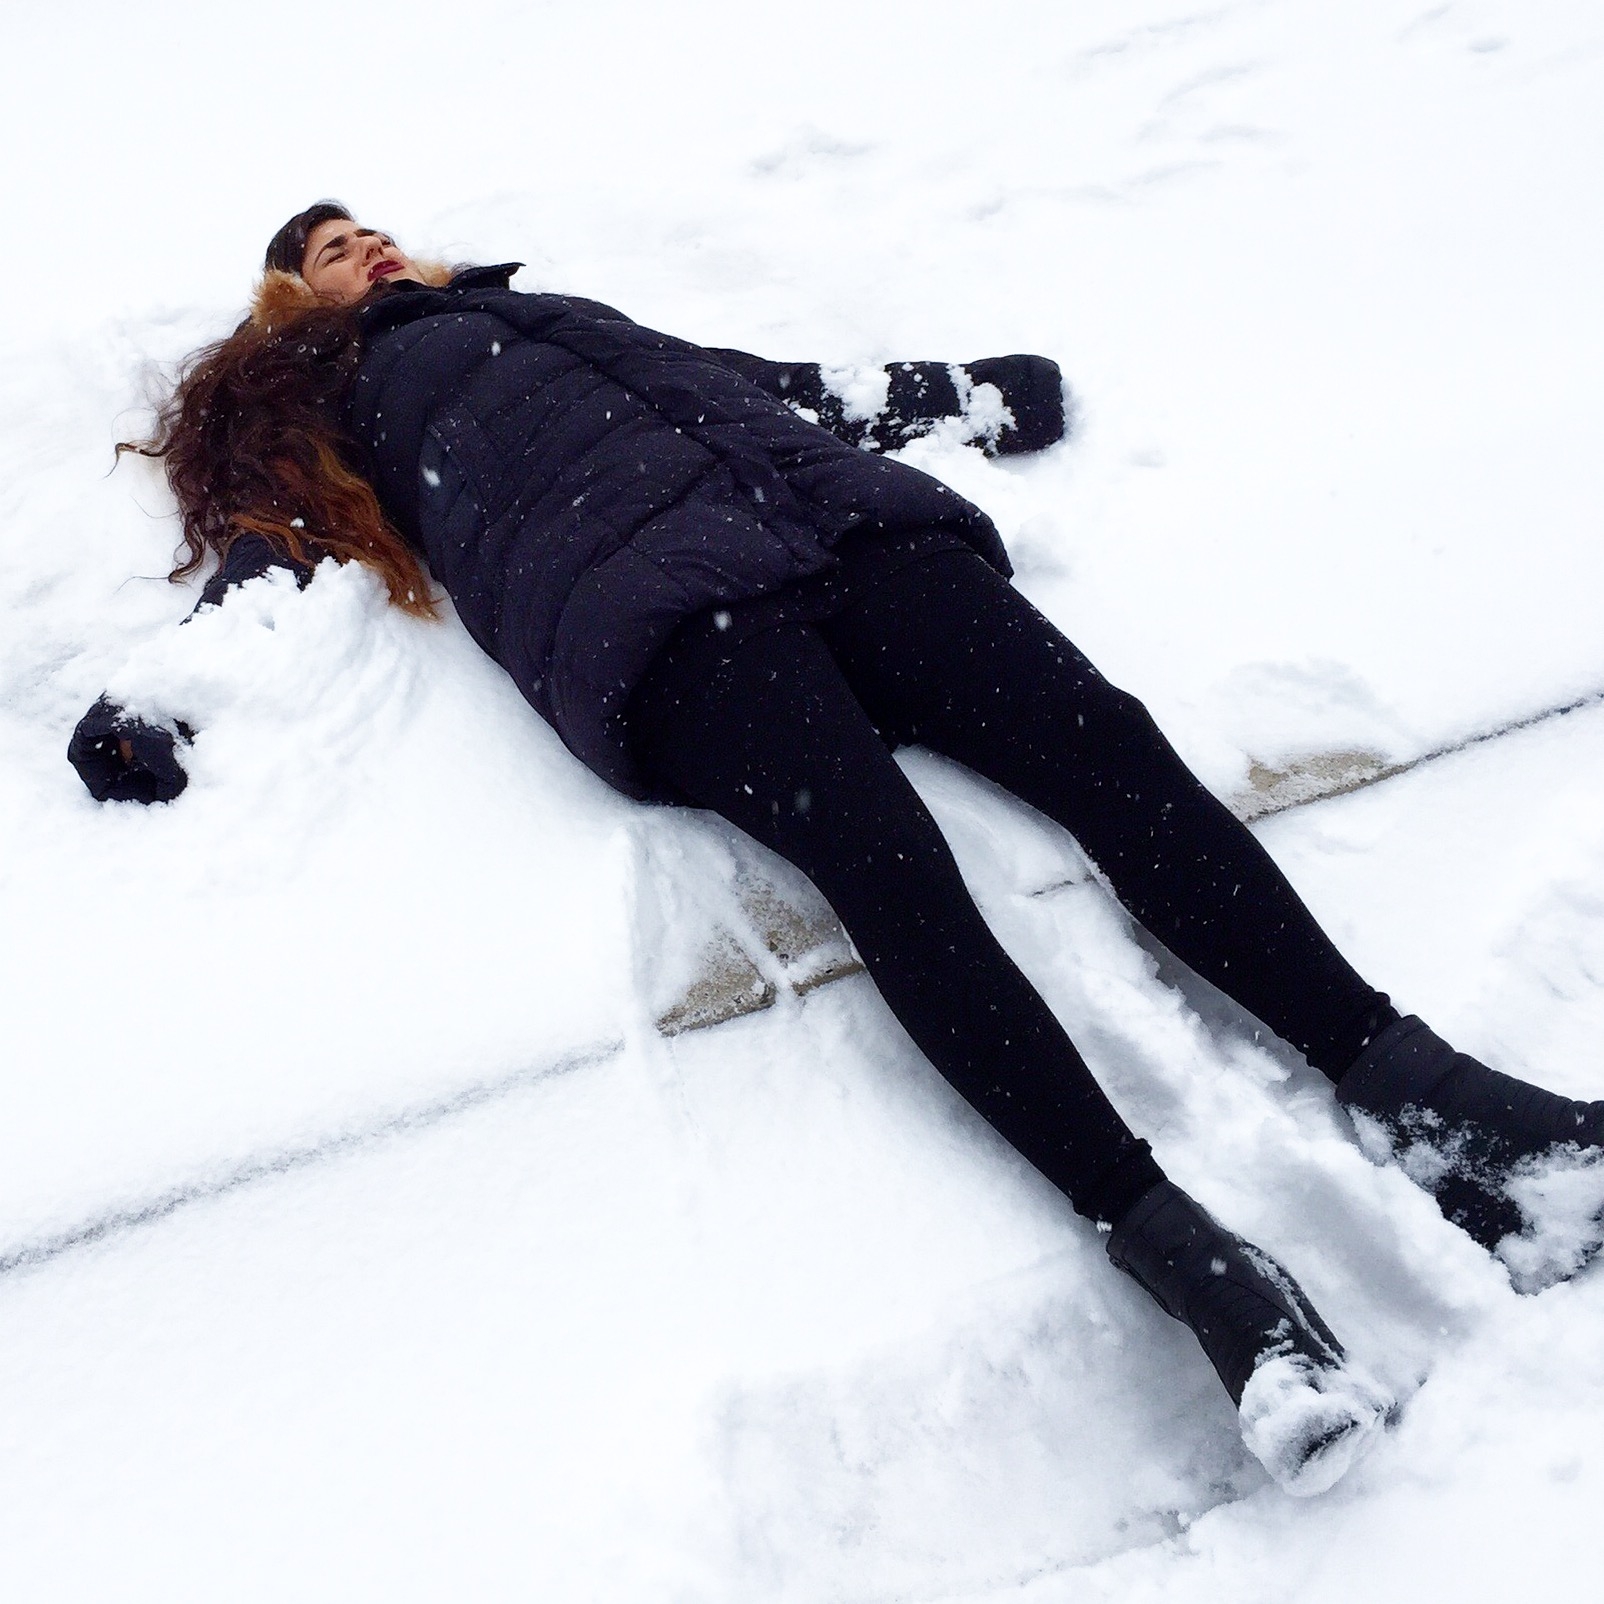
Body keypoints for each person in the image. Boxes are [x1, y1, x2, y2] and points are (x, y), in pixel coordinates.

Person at [70, 201, 1604, 1495]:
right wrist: (155, 709)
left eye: (377, 228)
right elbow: (265, 569)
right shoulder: (321, 398)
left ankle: (1455, 1119)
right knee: (898, 882)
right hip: (662, 631)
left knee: (1113, 754)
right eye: (335, 248)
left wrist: (962, 393)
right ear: (294, 298)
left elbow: (765, 381)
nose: (373, 248)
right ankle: (1212, 1288)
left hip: (846, 540)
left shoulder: (548, 313)